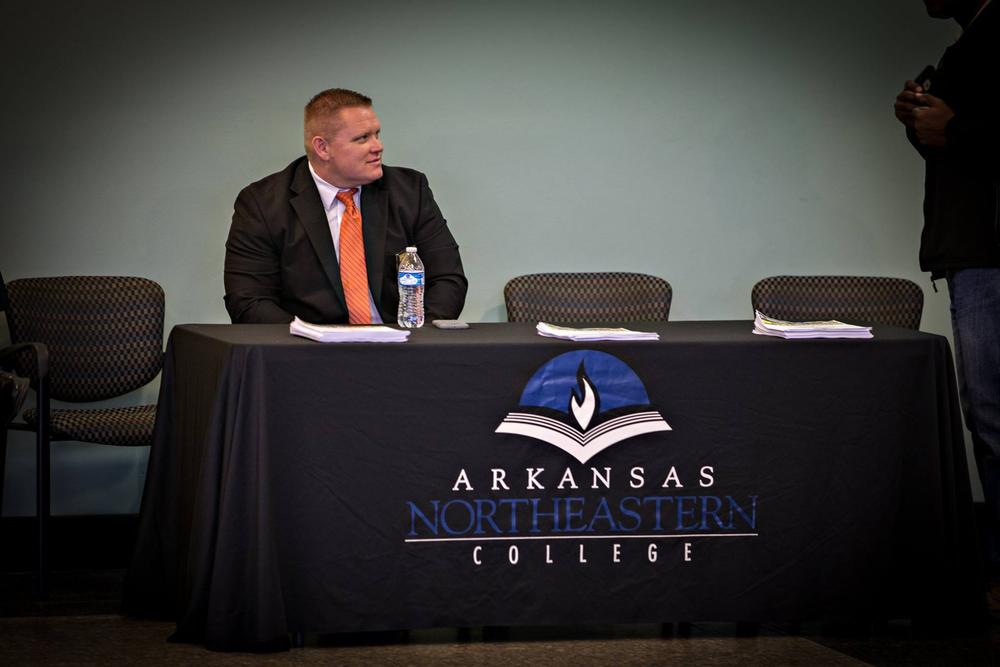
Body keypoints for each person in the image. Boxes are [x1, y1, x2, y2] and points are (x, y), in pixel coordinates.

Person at [894, 0, 1000, 577]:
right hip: (974, 255)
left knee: (993, 416)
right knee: (988, 417)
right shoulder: (969, 41)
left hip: (990, 257)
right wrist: (924, 127)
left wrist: (952, 127)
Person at [224, 88, 468, 325]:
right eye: (362, 138)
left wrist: (420, 340)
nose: (377, 146)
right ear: (322, 148)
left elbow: (448, 279)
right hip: (308, 353)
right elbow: (248, 300)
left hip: (401, 346)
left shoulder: (409, 191)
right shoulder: (263, 204)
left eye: (377, 134)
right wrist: (308, 341)